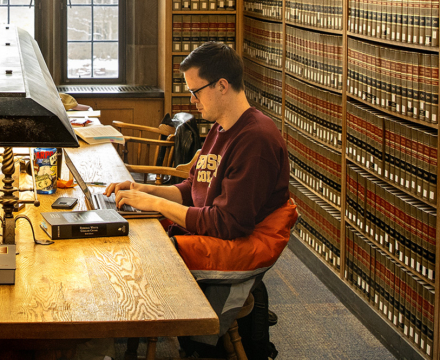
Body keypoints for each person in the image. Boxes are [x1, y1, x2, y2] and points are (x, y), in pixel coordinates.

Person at [105, 42, 296, 360]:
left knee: (137, 258)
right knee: (129, 240)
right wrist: (146, 192)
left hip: (235, 245)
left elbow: (228, 223)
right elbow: (193, 189)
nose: (192, 102)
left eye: (196, 91)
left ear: (222, 85)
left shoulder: (256, 140)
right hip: (212, 230)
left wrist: (159, 206)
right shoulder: (222, 128)